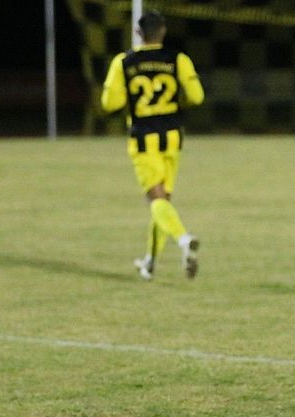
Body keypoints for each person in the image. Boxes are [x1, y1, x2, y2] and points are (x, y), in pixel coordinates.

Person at [101, 9, 204, 280]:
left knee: (156, 200)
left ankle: (183, 239)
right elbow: (196, 96)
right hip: (172, 137)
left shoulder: (124, 62)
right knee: (164, 202)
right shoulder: (178, 59)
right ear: (163, 31)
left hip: (144, 138)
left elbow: (109, 103)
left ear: (138, 33)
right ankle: (150, 263)